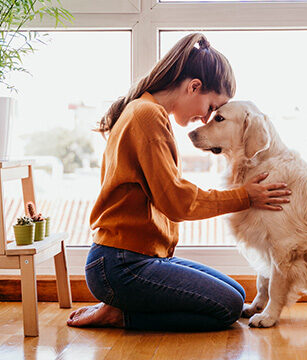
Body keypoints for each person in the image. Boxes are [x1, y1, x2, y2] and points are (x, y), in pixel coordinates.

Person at [66, 33, 291, 331]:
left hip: (136, 259)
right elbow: (176, 202)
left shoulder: (146, 110)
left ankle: (122, 304)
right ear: (194, 86)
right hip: (120, 265)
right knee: (227, 308)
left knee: (237, 294)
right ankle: (121, 314)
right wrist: (245, 196)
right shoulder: (147, 116)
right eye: (211, 107)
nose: (205, 118)